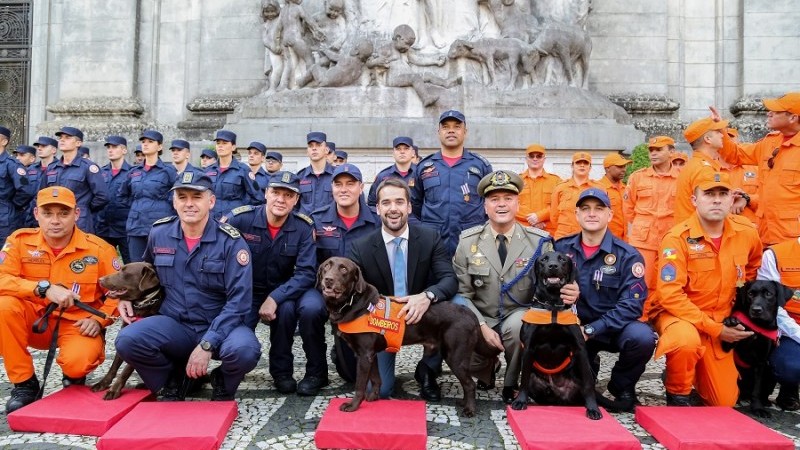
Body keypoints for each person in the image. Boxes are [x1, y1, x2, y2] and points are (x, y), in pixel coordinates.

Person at [114, 172, 262, 401]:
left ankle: (222, 380)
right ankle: (171, 381)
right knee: (128, 340)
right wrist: (126, 297)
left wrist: (207, 344)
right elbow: (144, 273)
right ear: (174, 202)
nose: (189, 203)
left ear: (211, 202)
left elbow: (239, 302)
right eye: (182, 197)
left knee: (245, 351)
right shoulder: (159, 232)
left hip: (220, 323)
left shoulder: (231, 241)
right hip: (175, 323)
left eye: (196, 197)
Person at [453, 170, 573, 404]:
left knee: (520, 325)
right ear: (485, 206)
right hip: (480, 317)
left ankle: (511, 384)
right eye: (494, 199)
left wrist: (571, 292)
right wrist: (481, 326)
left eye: (508, 199)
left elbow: (552, 286)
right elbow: (461, 294)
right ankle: (487, 368)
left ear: (518, 204)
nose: (501, 205)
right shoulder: (468, 242)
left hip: (517, 315)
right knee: (468, 352)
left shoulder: (539, 242)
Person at [0, 187, 121, 413]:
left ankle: (73, 376)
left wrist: (100, 321)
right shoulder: (18, 242)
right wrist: (41, 289)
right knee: (3, 306)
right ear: (37, 214)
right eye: (48, 213)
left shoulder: (99, 249)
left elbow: (119, 294)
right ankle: (24, 383)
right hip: (34, 322)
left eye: (63, 213)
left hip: (77, 325)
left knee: (78, 362)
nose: (55, 221)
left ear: (76, 214)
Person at [649, 172, 762, 406]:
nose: (717, 200)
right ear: (694, 200)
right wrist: (716, 330)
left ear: (732, 199)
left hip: (721, 318)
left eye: (723, 194)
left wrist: (737, 315)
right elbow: (670, 295)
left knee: (723, 403)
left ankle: (694, 374)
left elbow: (751, 271)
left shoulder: (747, 233)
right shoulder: (677, 238)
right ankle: (677, 391)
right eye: (709, 194)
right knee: (685, 341)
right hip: (680, 316)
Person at [349, 178, 458, 400]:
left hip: (422, 314)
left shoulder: (430, 237)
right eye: (386, 203)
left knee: (458, 305)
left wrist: (427, 296)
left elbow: (449, 279)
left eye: (399, 202)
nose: (393, 209)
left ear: (409, 206)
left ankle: (428, 369)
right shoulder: (360, 247)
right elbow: (352, 292)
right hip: (382, 322)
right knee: (380, 391)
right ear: (377, 208)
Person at [222, 171, 328, 396]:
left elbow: (307, 273)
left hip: (285, 289)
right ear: (266, 193)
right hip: (246, 291)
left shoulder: (302, 227)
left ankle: (282, 373)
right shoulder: (240, 219)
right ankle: (227, 368)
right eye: (276, 192)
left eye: (288, 195)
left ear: (296, 200)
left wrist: (275, 298)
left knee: (287, 310)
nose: (281, 199)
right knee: (236, 337)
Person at [553, 188, 656, 410]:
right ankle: (587, 367)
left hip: (612, 328)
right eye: (586, 209)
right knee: (574, 395)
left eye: (599, 209)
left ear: (609, 215)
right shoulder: (560, 248)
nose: (592, 214)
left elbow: (632, 305)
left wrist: (592, 330)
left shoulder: (628, 255)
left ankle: (621, 385)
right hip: (573, 329)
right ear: (577, 214)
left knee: (642, 337)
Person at [311, 163, 380, 382]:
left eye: (350, 184)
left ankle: (342, 350)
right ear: (331, 188)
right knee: (309, 310)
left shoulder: (377, 223)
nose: (344, 189)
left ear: (361, 187)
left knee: (350, 374)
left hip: (358, 298)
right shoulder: (316, 220)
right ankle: (316, 371)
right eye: (338, 184)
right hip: (325, 291)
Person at [717, 93, 800, 246]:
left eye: (775, 111)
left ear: (793, 118)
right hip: (765, 235)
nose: (769, 113)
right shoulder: (769, 142)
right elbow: (734, 154)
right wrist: (720, 129)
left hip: (792, 239)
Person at [411, 110, 492, 256]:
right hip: (433, 243)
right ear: (439, 132)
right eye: (446, 127)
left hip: (472, 242)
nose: (451, 131)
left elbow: (490, 204)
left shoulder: (481, 166)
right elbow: (415, 205)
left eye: (456, 127)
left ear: (465, 132)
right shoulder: (424, 167)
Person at [623, 136, 680, 303]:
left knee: (669, 278)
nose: (653, 154)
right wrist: (644, 224)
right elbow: (628, 208)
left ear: (671, 152)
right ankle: (641, 318)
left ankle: (662, 316)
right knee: (640, 280)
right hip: (643, 240)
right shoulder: (637, 177)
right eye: (651, 150)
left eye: (659, 150)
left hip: (671, 239)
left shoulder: (682, 178)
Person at [118, 130, 177, 262]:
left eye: (150, 142)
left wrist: (165, 211)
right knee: (137, 267)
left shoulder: (168, 171)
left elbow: (176, 196)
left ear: (160, 146)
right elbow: (122, 195)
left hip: (159, 226)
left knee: (161, 265)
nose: (145, 144)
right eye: (143, 142)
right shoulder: (134, 172)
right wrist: (136, 207)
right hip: (136, 226)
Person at [757, 237, 800, 411]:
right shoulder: (775, 255)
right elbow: (771, 306)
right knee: (789, 367)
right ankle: (785, 385)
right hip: (789, 328)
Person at [41, 127, 108, 234]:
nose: (62, 140)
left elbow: (102, 196)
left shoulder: (87, 167)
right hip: (54, 221)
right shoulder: (52, 168)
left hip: (79, 221)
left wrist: (84, 207)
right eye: (61, 137)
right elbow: (42, 194)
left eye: (67, 137)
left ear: (78, 143)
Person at [673, 117, 735, 223]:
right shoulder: (703, 169)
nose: (722, 135)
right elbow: (711, 211)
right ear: (707, 139)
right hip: (698, 232)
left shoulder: (695, 164)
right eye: (718, 132)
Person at [204, 130, 263, 218]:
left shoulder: (243, 170)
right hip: (211, 220)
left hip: (235, 221)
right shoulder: (208, 171)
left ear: (233, 147)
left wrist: (241, 214)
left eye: (224, 143)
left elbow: (258, 199)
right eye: (218, 143)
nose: (220, 146)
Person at [95, 136, 132, 263]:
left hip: (123, 227)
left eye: (115, 147)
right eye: (108, 147)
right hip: (103, 226)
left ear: (124, 150)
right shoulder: (100, 172)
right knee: (102, 263)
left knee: (130, 264)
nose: (110, 150)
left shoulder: (132, 172)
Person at [550, 152, 602, 239]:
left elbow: (603, 214)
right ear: (572, 166)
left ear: (590, 167)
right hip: (564, 236)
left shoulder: (599, 188)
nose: (582, 165)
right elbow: (554, 216)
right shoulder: (560, 187)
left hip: (590, 236)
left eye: (585, 163)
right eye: (578, 162)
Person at [515, 143, 562, 235]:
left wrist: (540, 216)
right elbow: (511, 204)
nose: (535, 159)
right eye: (531, 156)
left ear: (544, 159)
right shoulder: (517, 180)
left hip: (547, 230)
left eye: (539, 156)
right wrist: (533, 219)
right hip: (522, 231)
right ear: (526, 159)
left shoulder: (556, 181)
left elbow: (560, 205)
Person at [367, 136, 417, 210]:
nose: (402, 152)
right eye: (398, 149)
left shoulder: (421, 174)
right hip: (390, 219)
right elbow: (372, 203)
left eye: (406, 148)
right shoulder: (383, 176)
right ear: (393, 153)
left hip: (416, 220)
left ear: (413, 153)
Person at [297, 132, 335, 215]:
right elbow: (294, 206)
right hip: (305, 225)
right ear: (307, 151)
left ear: (326, 150)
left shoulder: (337, 175)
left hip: (329, 225)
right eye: (311, 146)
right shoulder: (300, 176)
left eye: (318, 145)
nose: (314, 148)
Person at [595, 153, 631, 240]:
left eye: (624, 166)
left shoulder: (627, 189)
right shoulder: (598, 189)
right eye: (620, 166)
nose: (624, 170)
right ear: (607, 168)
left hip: (626, 241)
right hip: (605, 240)